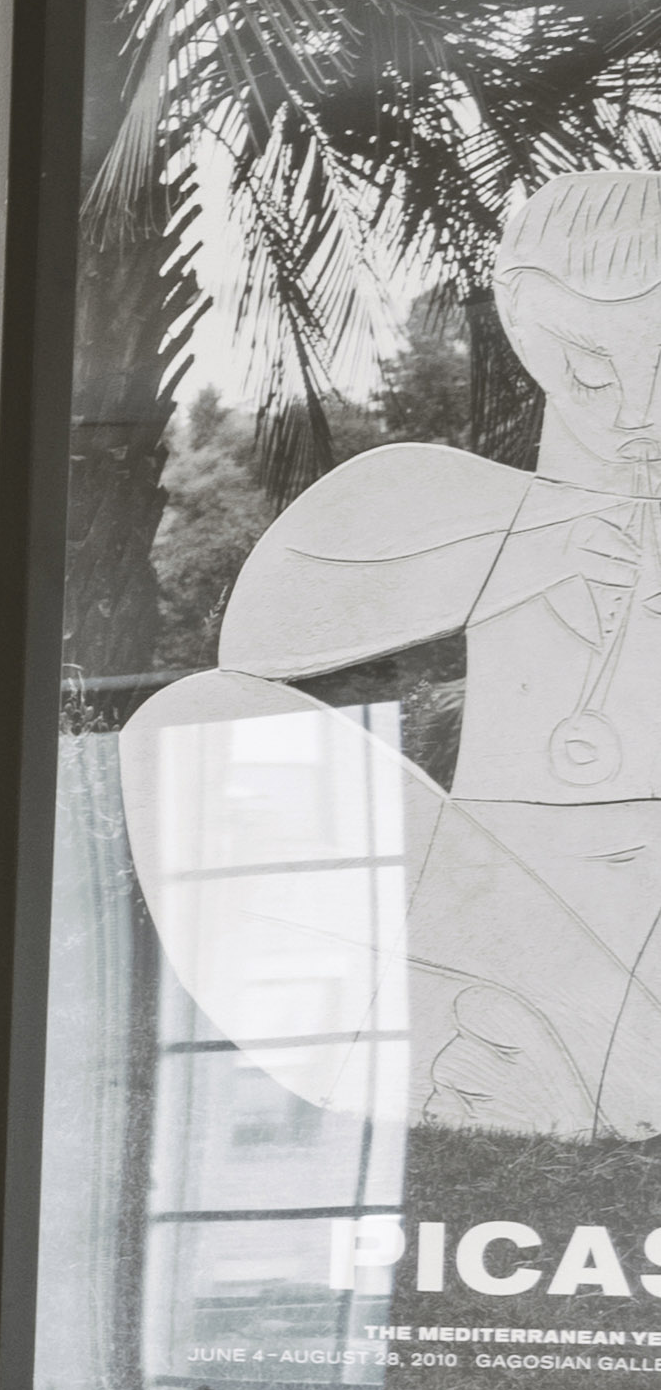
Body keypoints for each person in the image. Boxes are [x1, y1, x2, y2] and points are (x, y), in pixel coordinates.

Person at [147, 160, 661, 1136]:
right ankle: (549, 1054)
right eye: (593, 369)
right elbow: (259, 636)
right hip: (495, 887)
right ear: (526, 330)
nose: (634, 409)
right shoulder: (447, 496)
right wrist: (526, 546)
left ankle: (576, 1059)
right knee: (182, 725)